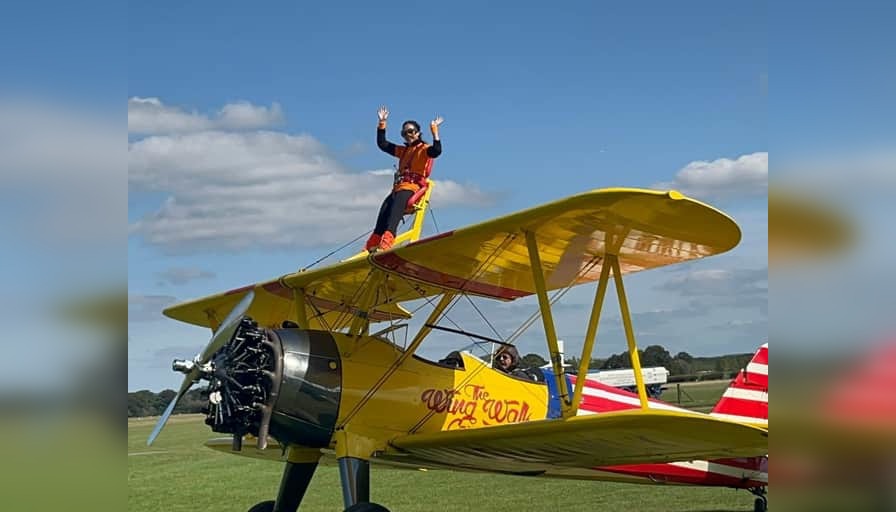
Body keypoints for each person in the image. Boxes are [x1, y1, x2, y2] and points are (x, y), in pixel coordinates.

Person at [364, 105, 443, 252]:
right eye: (404, 133)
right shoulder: (403, 150)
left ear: (418, 133)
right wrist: (382, 123)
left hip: (412, 187)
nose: (408, 135)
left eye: (411, 131)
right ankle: (371, 245)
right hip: (399, 187)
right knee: (384, 211)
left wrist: (435, 133)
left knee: (395, 210)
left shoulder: (424, 149)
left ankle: (386, 243)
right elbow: (382, 144)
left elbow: (436, 151)